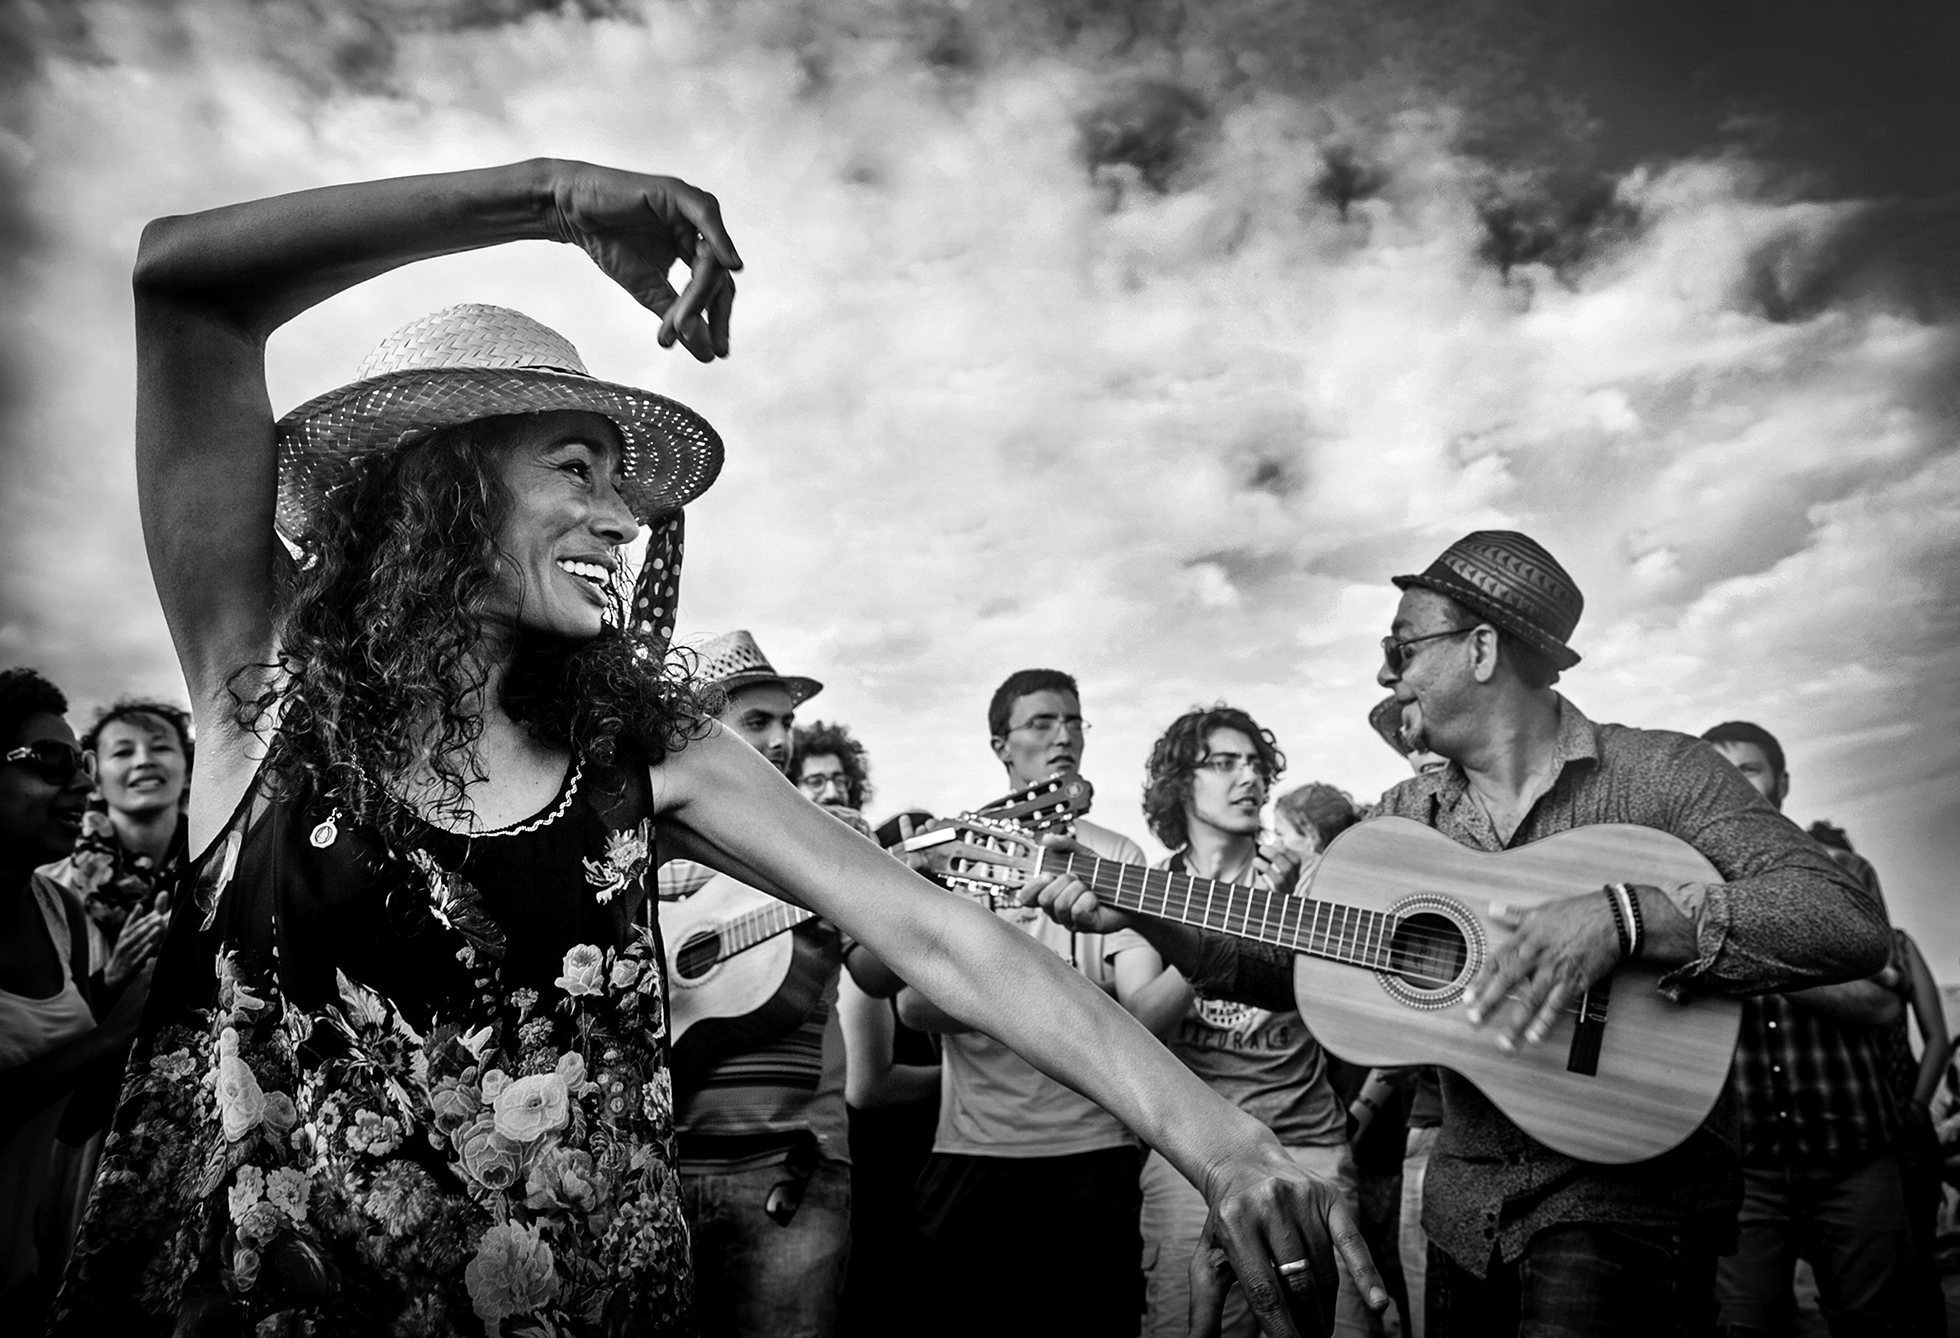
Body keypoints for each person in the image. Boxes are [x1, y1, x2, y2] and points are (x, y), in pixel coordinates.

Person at [53, 160, 1376, 1338]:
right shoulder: (256, 681)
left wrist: (1223, 1134)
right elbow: (184, 287)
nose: (618, 517)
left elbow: (940, 935)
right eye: (577, 467)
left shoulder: (641, 750)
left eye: (620, 483)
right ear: (441, 472)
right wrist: (552, 198)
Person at [1034, 531, 1892, 1337]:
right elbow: (1290, 962)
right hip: (1467, 1213)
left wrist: (1630, 918)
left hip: (1628, 1209)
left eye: (1402, 650)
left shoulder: (1660, 776)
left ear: (1481, 649)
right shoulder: (1405, 818)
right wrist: (1150, 907)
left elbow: (1844, 922)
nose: (1385, 677)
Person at [897, 668, 1159, 1338]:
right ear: (1000, 745)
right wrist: (1056, 1007)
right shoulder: (957, 852)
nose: (1065, 736)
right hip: (973, 1155)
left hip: (1093, 1151)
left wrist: (996, 998)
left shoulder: (1120, 854)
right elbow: (912, 1006)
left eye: (1074, 721)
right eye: (1043, 723)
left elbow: (1144, 1012)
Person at [1108, 706, 1369, 1338]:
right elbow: (1138, 1022)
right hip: (1192, 1158)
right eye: (1223, 763)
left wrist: (1283, 916)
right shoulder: (1152, 887)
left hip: (1309, 1151)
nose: (1247, 776)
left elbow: (1354, 1006)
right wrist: (1224, 943)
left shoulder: (1310, 881)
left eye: (1255, 763)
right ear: (1180, 785)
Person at [657, 632, 877, 1338]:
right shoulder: (648, 835)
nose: (783, 739)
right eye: (758, 722)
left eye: (787, 722)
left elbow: (873, 973)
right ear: (702, 730)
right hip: (659, 1172)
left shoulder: (833, 833)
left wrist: (896, 905)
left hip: (792, 1173)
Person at [1701, 722, 1922, 1336]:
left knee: (1883, 1324)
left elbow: (1883, 1004)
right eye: (1718, 771)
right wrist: (1809, 957)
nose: (1734, 783)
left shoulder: (1843, 870)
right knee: (1745, 1328)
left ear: (1783, 782)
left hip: (1855, 1151)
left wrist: (1738, 948)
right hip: (1741, 1168)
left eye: (1749, 769)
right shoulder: (1683, 883)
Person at [0, 668, 148, 1329]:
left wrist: (130, 996)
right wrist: (111, 1033)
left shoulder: (60, 912)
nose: (85, 786)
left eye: (83, 763)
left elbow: (73, 1119)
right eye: (53, 762)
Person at [36, 699, 189, 1287]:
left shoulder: (224, 875)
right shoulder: (52, 890)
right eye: (123, 751)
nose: (144, 761)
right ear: (94, 772)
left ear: (184, 764)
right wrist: (112, 985)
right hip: (80, 1146)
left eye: (161, 746)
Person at [837, 811, 943, 1338]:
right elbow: (868, 1086)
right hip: (884, 1168)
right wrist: (957, 1084)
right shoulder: (867, 955)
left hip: (919, 1159)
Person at [1367, 695, 1445, 1338]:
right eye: (1407, 748)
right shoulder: (1396, 844)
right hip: (1431, 1128)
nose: (1417, 757)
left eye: (1425, 740)